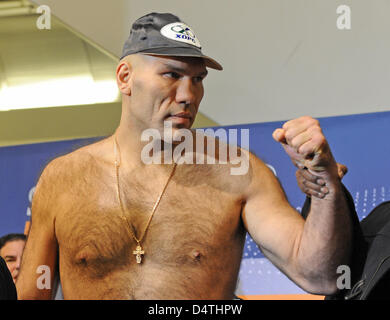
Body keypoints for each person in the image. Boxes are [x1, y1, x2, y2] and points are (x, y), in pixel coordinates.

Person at [16, 12, 352, 299]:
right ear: (125, 77)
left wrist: (325, 187)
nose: (188, 95)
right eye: (172, 75)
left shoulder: (237, 172)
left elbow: (319, 275)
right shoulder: (62, 179)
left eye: (198, 79)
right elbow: (31, 294)